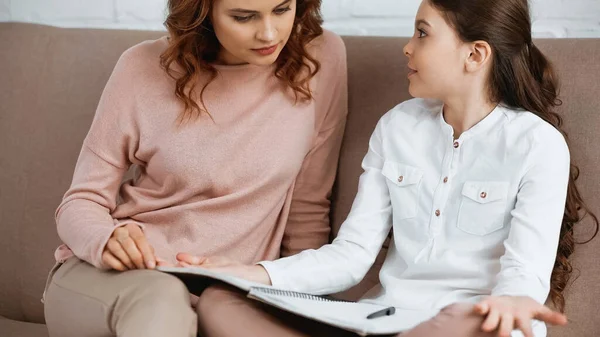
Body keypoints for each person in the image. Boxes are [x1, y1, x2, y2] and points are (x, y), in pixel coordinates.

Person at [181, 0, 599, 336]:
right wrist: (247, 273)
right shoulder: (398, 126)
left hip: (477, 322)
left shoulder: (538, 144)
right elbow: (350, 257)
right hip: (384, 318)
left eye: (422, 33)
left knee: (466, 322)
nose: (408, 47)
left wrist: (515, 301)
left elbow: (524, 274)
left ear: (475, 54)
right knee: (221, 302)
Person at [42, 0, 347, 336]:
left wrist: (303, 301)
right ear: (203, 12)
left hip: (225, 294)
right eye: (243, 17)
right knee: (163, 297)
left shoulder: (319, 58)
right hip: (115, 281)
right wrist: (107, 237)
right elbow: (81, 200)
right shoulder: (141, 66)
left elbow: (307, 204)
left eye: (282, 9)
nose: (269, 33)